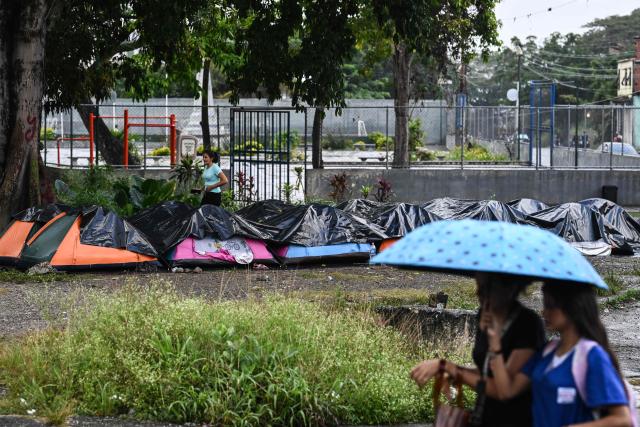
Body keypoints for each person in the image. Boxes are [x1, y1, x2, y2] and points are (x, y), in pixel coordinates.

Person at [488, 282, 632, 427]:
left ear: (573, 307)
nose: (544, 312)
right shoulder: (547, 352)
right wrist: (495, 343)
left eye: (551, 305)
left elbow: (622, 419)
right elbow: (507, 391)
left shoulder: (592, 356)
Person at [410, 273, 546, 427]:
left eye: (486, 287)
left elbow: (503, 390)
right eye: (478, 285)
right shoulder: (485, 314)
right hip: (484, 416)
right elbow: (487, 371)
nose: (478, 293)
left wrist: (450, 367)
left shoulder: (527, 324)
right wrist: (456, 372)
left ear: (510, 288)